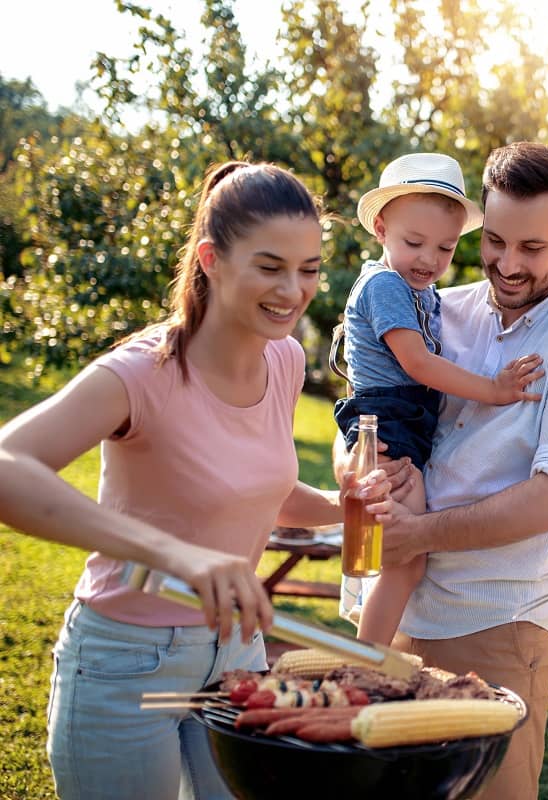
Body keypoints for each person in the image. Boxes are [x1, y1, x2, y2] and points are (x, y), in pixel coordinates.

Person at [0, 161, 392, 800]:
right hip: (126, 658)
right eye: (269, 267)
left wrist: (339, 503)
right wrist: (174, 555)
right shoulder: (141, 373)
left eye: (309, 269)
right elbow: (7, 467)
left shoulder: (286, 359)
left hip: (237, 654)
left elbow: (254, 491)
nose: (293, 290)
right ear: (210, 258)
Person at [340, 141, 548, 799]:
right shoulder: (443, 305)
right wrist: (358, 466)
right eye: (494, 241)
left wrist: (420, 536)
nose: (506, 263)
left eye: (531, 248)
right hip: (401, 609)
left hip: (494, 625)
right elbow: (371, 400)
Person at [335, 152, 544, 645]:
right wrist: (492, 390)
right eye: (414, 243)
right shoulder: (386, 285)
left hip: (405, 418)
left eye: (445, 248)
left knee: (398, 555)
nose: (429, 260)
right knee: (402, 559)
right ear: (381, 229)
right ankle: (363, 660)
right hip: (390, 420)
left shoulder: (421, 291)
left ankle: (366, 654)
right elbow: (418, 363)